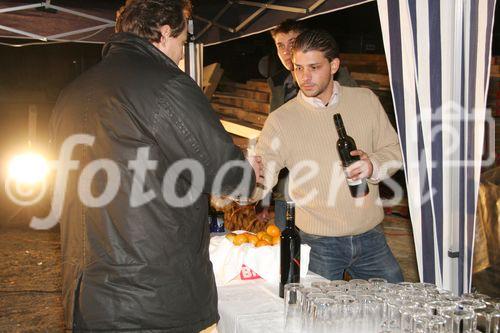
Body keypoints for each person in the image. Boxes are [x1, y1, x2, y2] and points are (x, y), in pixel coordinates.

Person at [49, 0, 261, 331]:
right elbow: (226, 173)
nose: (180, 53)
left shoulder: (71, 93)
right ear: (164, 34)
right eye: (181, 42)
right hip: (153, 300)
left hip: (87, 295)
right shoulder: (167, 85)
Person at [254, 29, 404, 282]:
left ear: (334, 65)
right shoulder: (281, 120)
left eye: (314, 67)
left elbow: (396, 150)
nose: (305, 77)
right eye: (298, 68)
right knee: (313, 320)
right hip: (318, 244)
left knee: (397, 311)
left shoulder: (365, 100)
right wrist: (240, 184)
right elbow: (261, 176)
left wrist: (373, 165)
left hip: (372, 239)